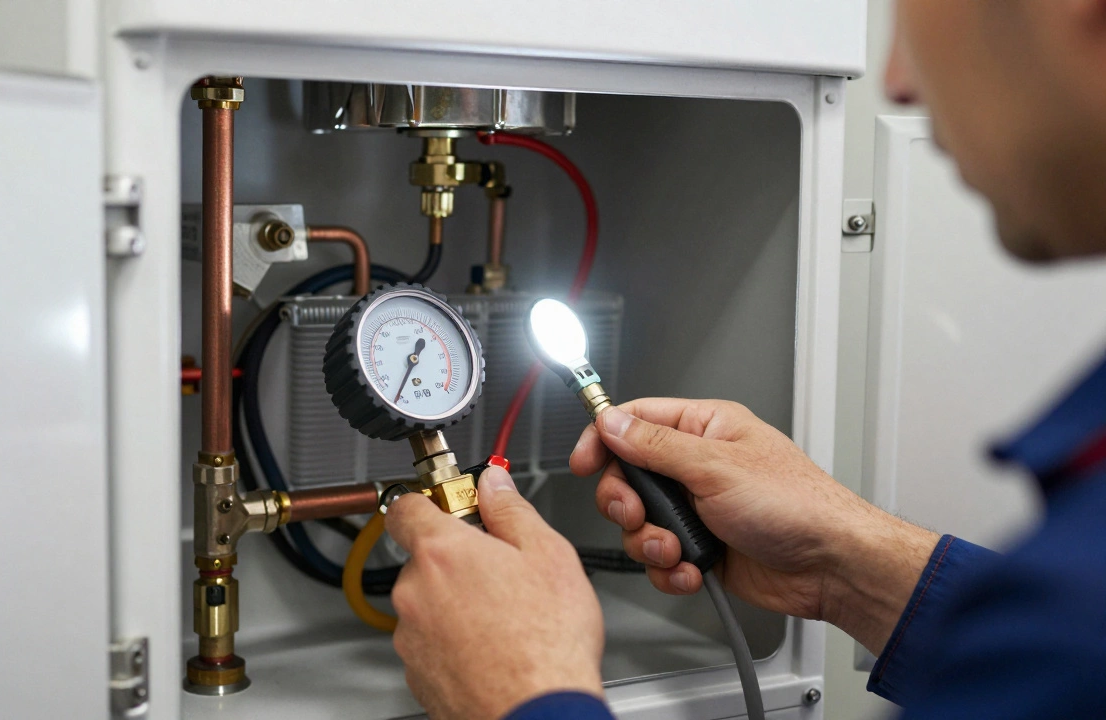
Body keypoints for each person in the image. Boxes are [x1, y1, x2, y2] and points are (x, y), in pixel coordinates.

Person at [384, 1, 1106, 718]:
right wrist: (842, 564)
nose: (894, 83)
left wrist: (520, 692)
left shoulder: (1070, 612)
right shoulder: (1070, 599)